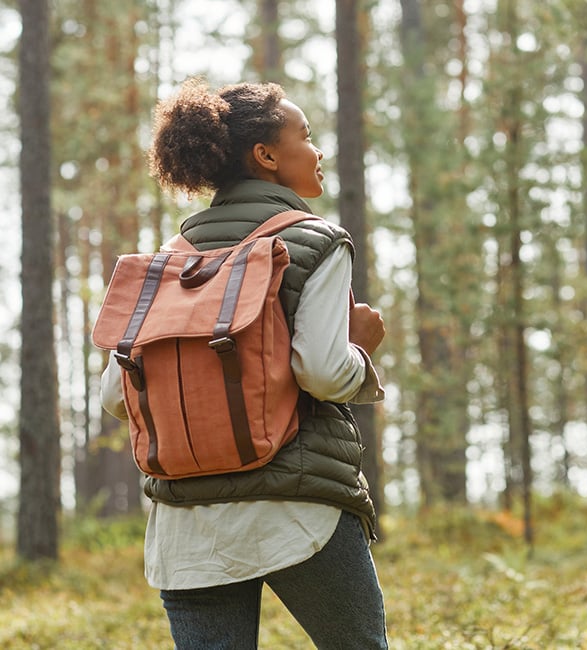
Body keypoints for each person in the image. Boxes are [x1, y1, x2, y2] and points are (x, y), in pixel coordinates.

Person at [100, 77, 388, 649]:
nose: (317, 149)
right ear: (266, 156)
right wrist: (362, 348)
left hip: (187, 527)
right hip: (296, 509)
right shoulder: (315, 241)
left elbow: (115, 396)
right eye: (305, 135)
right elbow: (324, 373)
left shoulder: (167, 263)